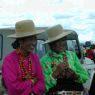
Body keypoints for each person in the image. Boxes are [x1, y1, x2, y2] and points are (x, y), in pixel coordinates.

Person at [41, 24, 89, 95]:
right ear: (51, 44)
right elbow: (43, 87)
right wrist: (56, 73)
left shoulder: (72, 55)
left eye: (63, 40)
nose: (61, 44)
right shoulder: (44, 61)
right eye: (57, 41)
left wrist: (75, 75)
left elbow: (84, 76)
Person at [2, 20, 45, 95]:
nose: (34, 43)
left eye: (35, 39)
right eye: (30, 39)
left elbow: (41, 82)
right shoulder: (9, 60)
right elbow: (13, 88)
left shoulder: (35, 58)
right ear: (21, 41)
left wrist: (32, 92)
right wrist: (32, 81)